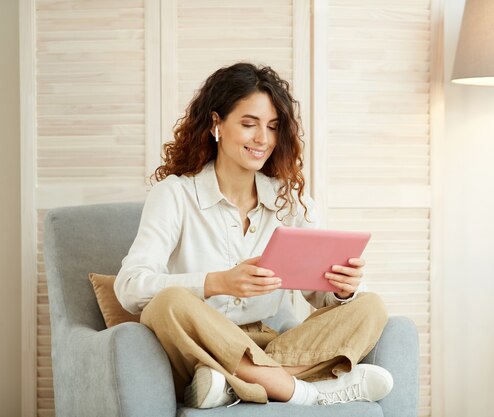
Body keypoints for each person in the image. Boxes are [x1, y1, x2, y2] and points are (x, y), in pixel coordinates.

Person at [114, 62, 393, 409]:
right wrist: (218, 282)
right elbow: (129, 287)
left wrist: (343, 290)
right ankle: (304, 392)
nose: (263, 139)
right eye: (249, 124)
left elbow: (319, 294)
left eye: (273, 127)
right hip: (202, 344)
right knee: (167, 304)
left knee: (370, 306)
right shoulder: (174, 196)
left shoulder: (289, 201)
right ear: (216, 124)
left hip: (268, 344)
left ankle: (232, 385)